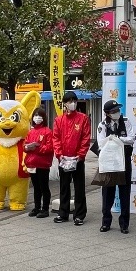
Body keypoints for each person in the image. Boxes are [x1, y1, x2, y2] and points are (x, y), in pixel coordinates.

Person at [53, 91, 91, 226]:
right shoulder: (59, 120)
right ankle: (63, 213)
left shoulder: (83, 118)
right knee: (64, 187)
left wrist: (80, 155)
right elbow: (56, 138)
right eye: (69, 101)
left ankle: (79, 215)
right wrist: (59, 154)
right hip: (64, 159)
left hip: (77, 159)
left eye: (74, 100)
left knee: (79, 187)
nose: (72, 103)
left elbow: (85, 138)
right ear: (65, 104)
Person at [96, 100, 134, 233]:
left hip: (124, 161)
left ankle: (124, 224)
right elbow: (101, 143)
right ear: (107, 113)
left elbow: (131, 138)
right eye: (113, 111)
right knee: (107, 193)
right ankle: (106, 222)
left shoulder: (126, 121)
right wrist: (112, 140)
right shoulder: (102, 125)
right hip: (109, 162)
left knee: (124, 192)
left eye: (118, 110)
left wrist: (116, 138)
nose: (117, 113)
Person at [24, 107, 53, 218]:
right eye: (35, 115)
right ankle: (37, 207)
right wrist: (27, 147)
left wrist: (37, 147)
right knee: (36, 187)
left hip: (43, 164)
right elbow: (25, 145)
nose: (37, 117)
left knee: (44, 186)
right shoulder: (31, 132)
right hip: (32, 163)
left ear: (44, 117)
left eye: (39, 115)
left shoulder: (47, 131)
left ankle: (45, 208)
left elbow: (50, 147)